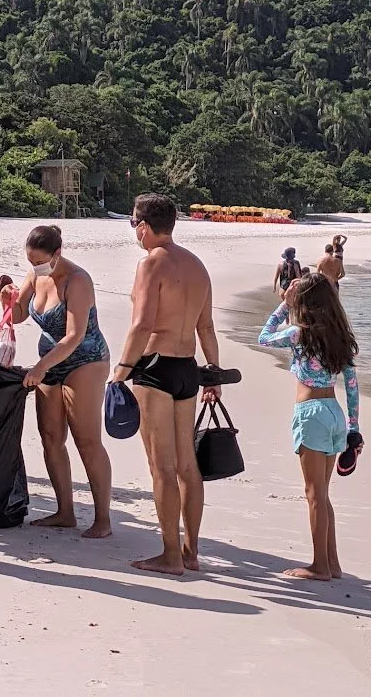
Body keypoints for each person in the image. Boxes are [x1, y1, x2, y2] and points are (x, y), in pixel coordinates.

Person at [111, 194, 221, 576]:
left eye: (133, 225)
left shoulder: (150, 263)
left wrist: (122, 368)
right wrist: (214, 372)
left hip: (154, 369)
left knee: (161, 466)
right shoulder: (196, 265)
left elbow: (142, 324)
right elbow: (205, 326)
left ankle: (170, 555)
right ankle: (191, 551)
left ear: (143, 225)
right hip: (188, 367)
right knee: (186, 466)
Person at [1, 225, 112, 539]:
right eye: (30, 260)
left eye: (39, 261)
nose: (35, 266)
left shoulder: (77, 280)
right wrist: (9, 300)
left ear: (57, 253)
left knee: (87, 440)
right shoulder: (35, 275)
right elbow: (21, 313)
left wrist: (40, 368)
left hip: (86, 359)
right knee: (50, 435)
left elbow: (74, 335)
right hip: (49, 361)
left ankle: (102, 519)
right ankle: (65, 511)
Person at [258, 273, 361, 581]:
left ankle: (319, 566)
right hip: (334, 413)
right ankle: (332, 562)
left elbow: (264, 337)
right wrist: (354, 427)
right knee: (323, 493)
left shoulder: (299, 333)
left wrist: (282, 306)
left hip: (310, 413)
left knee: (314, 493)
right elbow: (353, 386)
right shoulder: (339, 335)